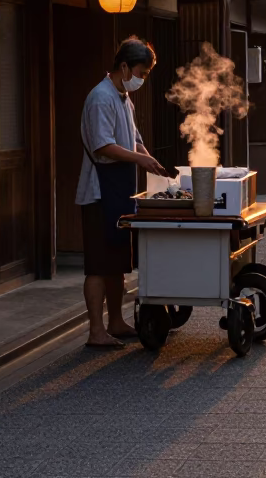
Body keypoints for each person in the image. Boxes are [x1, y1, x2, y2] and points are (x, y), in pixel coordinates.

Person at [77, 36, 166, 348]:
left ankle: (116, 320)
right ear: (124, 66)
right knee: (99, 265)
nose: (141, 80)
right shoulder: (100, 98)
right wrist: (140, 158)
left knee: (117, 261)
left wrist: (147, 156)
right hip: (99, 192)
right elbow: (103, 145)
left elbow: (133, 139)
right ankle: (95, 331)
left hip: (120, 189)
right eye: (140, 73)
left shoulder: (123, 97)